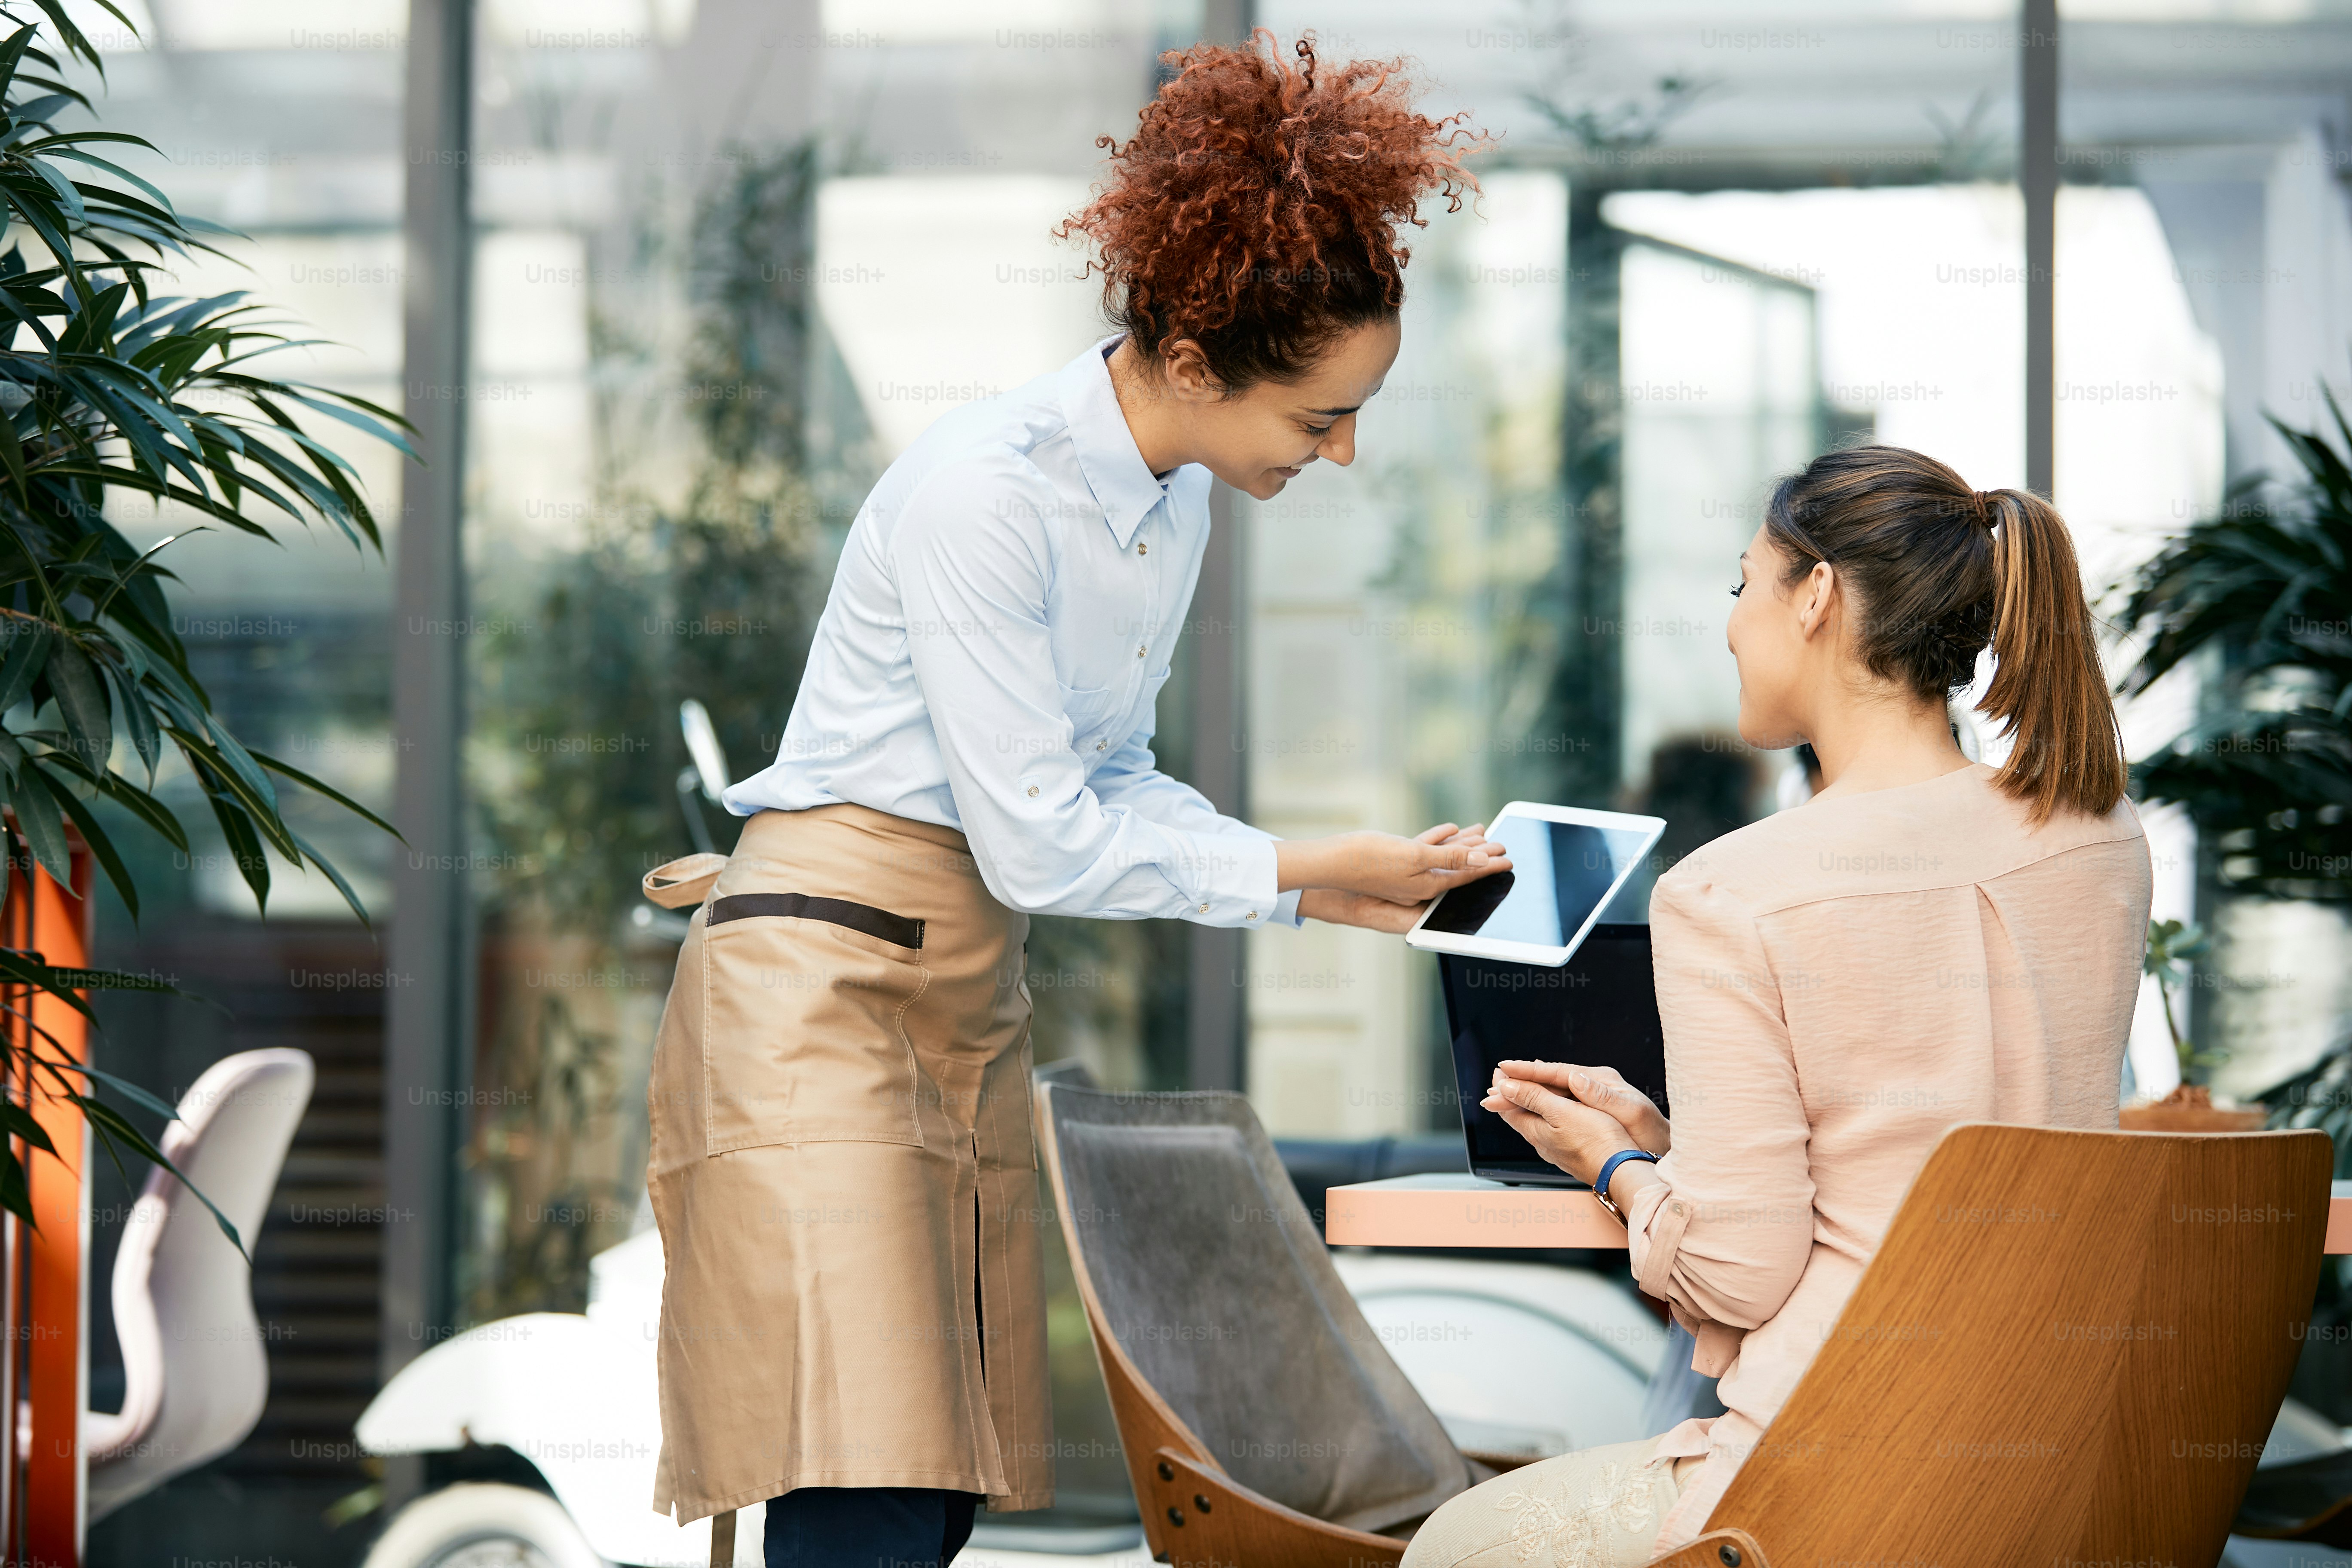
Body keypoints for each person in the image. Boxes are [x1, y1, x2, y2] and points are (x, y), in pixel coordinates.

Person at [637, 34, 1501, 1568]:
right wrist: (1297, 862)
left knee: (941, 1472)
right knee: (865, 1468)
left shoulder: (1172, 501)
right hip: (820, 984)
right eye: (1319, 419)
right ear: (1188, 363)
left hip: (956, 986)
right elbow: (1041, 836)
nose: (1347, 451)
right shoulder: (991, 489)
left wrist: (1320, 888)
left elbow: (1111, 784)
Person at [1400, 446, 2153, 1567]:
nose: (1731, 624)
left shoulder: (1733, 890)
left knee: (1454, 1543)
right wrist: (1676, 1144)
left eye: (1741, 585)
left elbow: (1739, 1275)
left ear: (1817, 596)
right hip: (2064, 1473)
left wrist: (1617, 1170)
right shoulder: (2104, 840)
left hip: (1836, 1479)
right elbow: (1937, 1147)